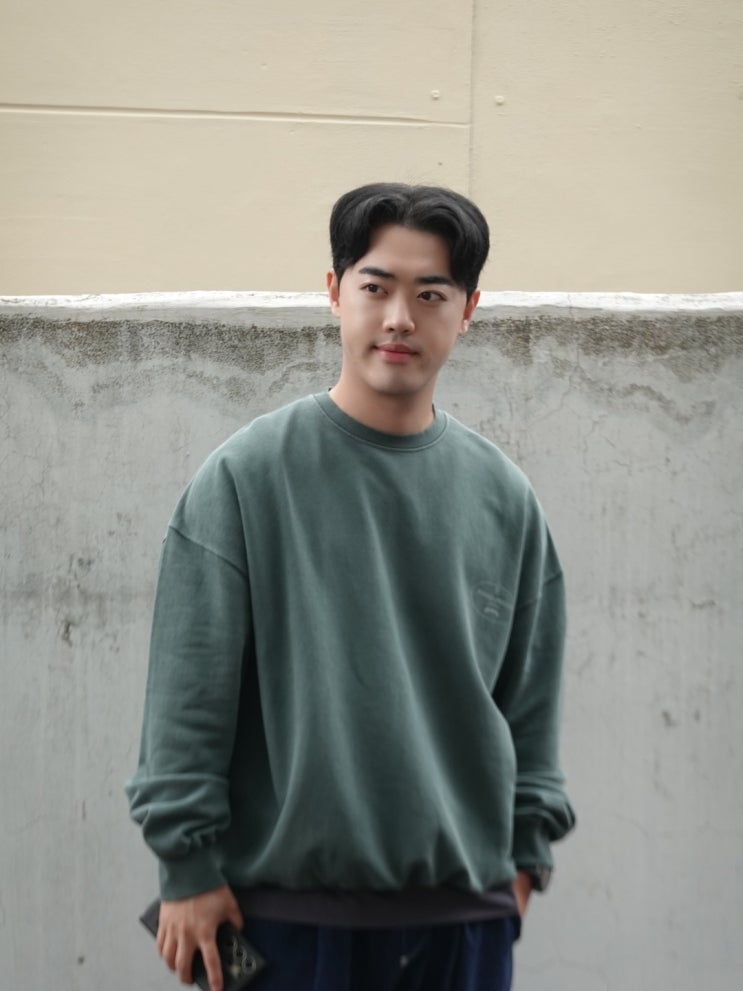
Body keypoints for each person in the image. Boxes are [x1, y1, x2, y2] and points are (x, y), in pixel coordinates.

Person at [126, 182, 575, 991]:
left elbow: (529, 704)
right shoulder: (245, 479)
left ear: (468, 310)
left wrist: (521, 862)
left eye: (430, 293)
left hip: (461, 924)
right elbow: (186, 701)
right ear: (335, 292)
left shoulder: (504, 499)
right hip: (287, 923)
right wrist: (184, 868)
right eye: (376, 287)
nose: (399, 318)